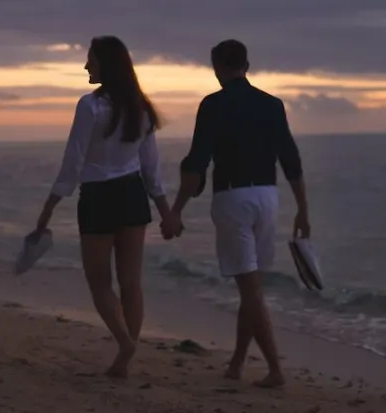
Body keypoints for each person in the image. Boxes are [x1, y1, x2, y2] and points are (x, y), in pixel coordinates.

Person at [165, 39, 309, 388]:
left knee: (250, 290)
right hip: (268, 197)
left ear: (216, 67)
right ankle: (237, 363)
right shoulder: (272, 105)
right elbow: (290, 158)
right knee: (252, 284)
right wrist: (303, 209)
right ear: (247, 64)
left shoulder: (212, 105)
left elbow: (197, 163)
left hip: (233, 199)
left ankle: (275, 368)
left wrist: (176, 211)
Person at [31, 35, 174, 378]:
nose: (85, 66)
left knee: (99, 283)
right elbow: (151, 166)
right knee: (131, 283)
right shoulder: (140, 106)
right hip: (132, 195)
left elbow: (74, 160)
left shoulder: (90, 105)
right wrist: (165, 210)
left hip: (99, 197)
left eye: (90, 60)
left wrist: (49, 207)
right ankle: (127, 354)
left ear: (105, 65)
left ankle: (125, 343)